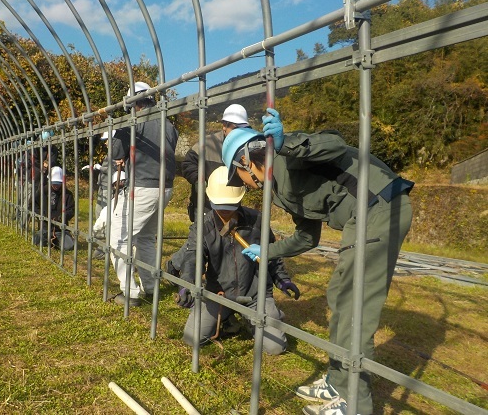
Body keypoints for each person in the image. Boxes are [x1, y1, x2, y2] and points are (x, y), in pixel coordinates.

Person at [222, 109, 414, 415]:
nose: (242, 184)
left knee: (355, 306)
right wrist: (267, 250)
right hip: (362, 217)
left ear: (245, 160)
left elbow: (335, 144)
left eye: (237, 176)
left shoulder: (288, 155)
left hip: (380, 206)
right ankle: (338, 383)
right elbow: (307, 237)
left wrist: (285, 144)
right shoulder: (278, 190)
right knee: (339, 296)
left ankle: (356, 404)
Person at [175, 166, 299, 354]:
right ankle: (227, 317)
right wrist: (187, 283)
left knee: (276, 348)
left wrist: (283, 280)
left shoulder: (257, 220)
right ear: (210, 199)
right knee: (192, 338)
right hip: (219, 295)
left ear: (240, 199)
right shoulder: (203, 225)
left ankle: (264, 316)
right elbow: (192, 256)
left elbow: (271, 254)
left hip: (255, 295)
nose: (225, 212)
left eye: (230, 207)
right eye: (220, 207)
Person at [109, 82, 179, 306]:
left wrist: (119, 132)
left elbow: (116, 152)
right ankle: (150, 287)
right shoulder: (168, 124)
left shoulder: (134, 122)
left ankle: (130, 292)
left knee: (118, 238)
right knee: (146, 239)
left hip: (142, 187)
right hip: (164, 187)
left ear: (134, 104)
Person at [166, 104, 252, 279]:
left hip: (231, 201)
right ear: (224, 126)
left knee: (222, 235)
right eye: (235, 127)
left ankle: (217, 274)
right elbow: (188, 164)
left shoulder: (246, 146)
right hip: (206, 201)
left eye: (242, 128)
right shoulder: (207, 144)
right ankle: (177, 266)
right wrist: (200, 180)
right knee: (200, 237)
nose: (239, 132)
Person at [33, 166, 76, 251]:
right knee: (37, 241)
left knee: (69, 246)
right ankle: (50, 240)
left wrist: (61, 217)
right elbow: (33, 205)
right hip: (45, 227)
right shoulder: (43, 191)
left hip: (60, 228)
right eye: (54, 183)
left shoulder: (67, 194)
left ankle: (58, 240)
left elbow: (71, 210)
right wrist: (43, 214)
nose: (56, 185)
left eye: (58, 183)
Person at [92, 170, 126, 259]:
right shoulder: (137, 199)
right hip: (137, 239)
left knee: (97, 254)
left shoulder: (114, 203)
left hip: (118, 239)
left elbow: (102, 220)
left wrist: (94, 232)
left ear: (114, 186)